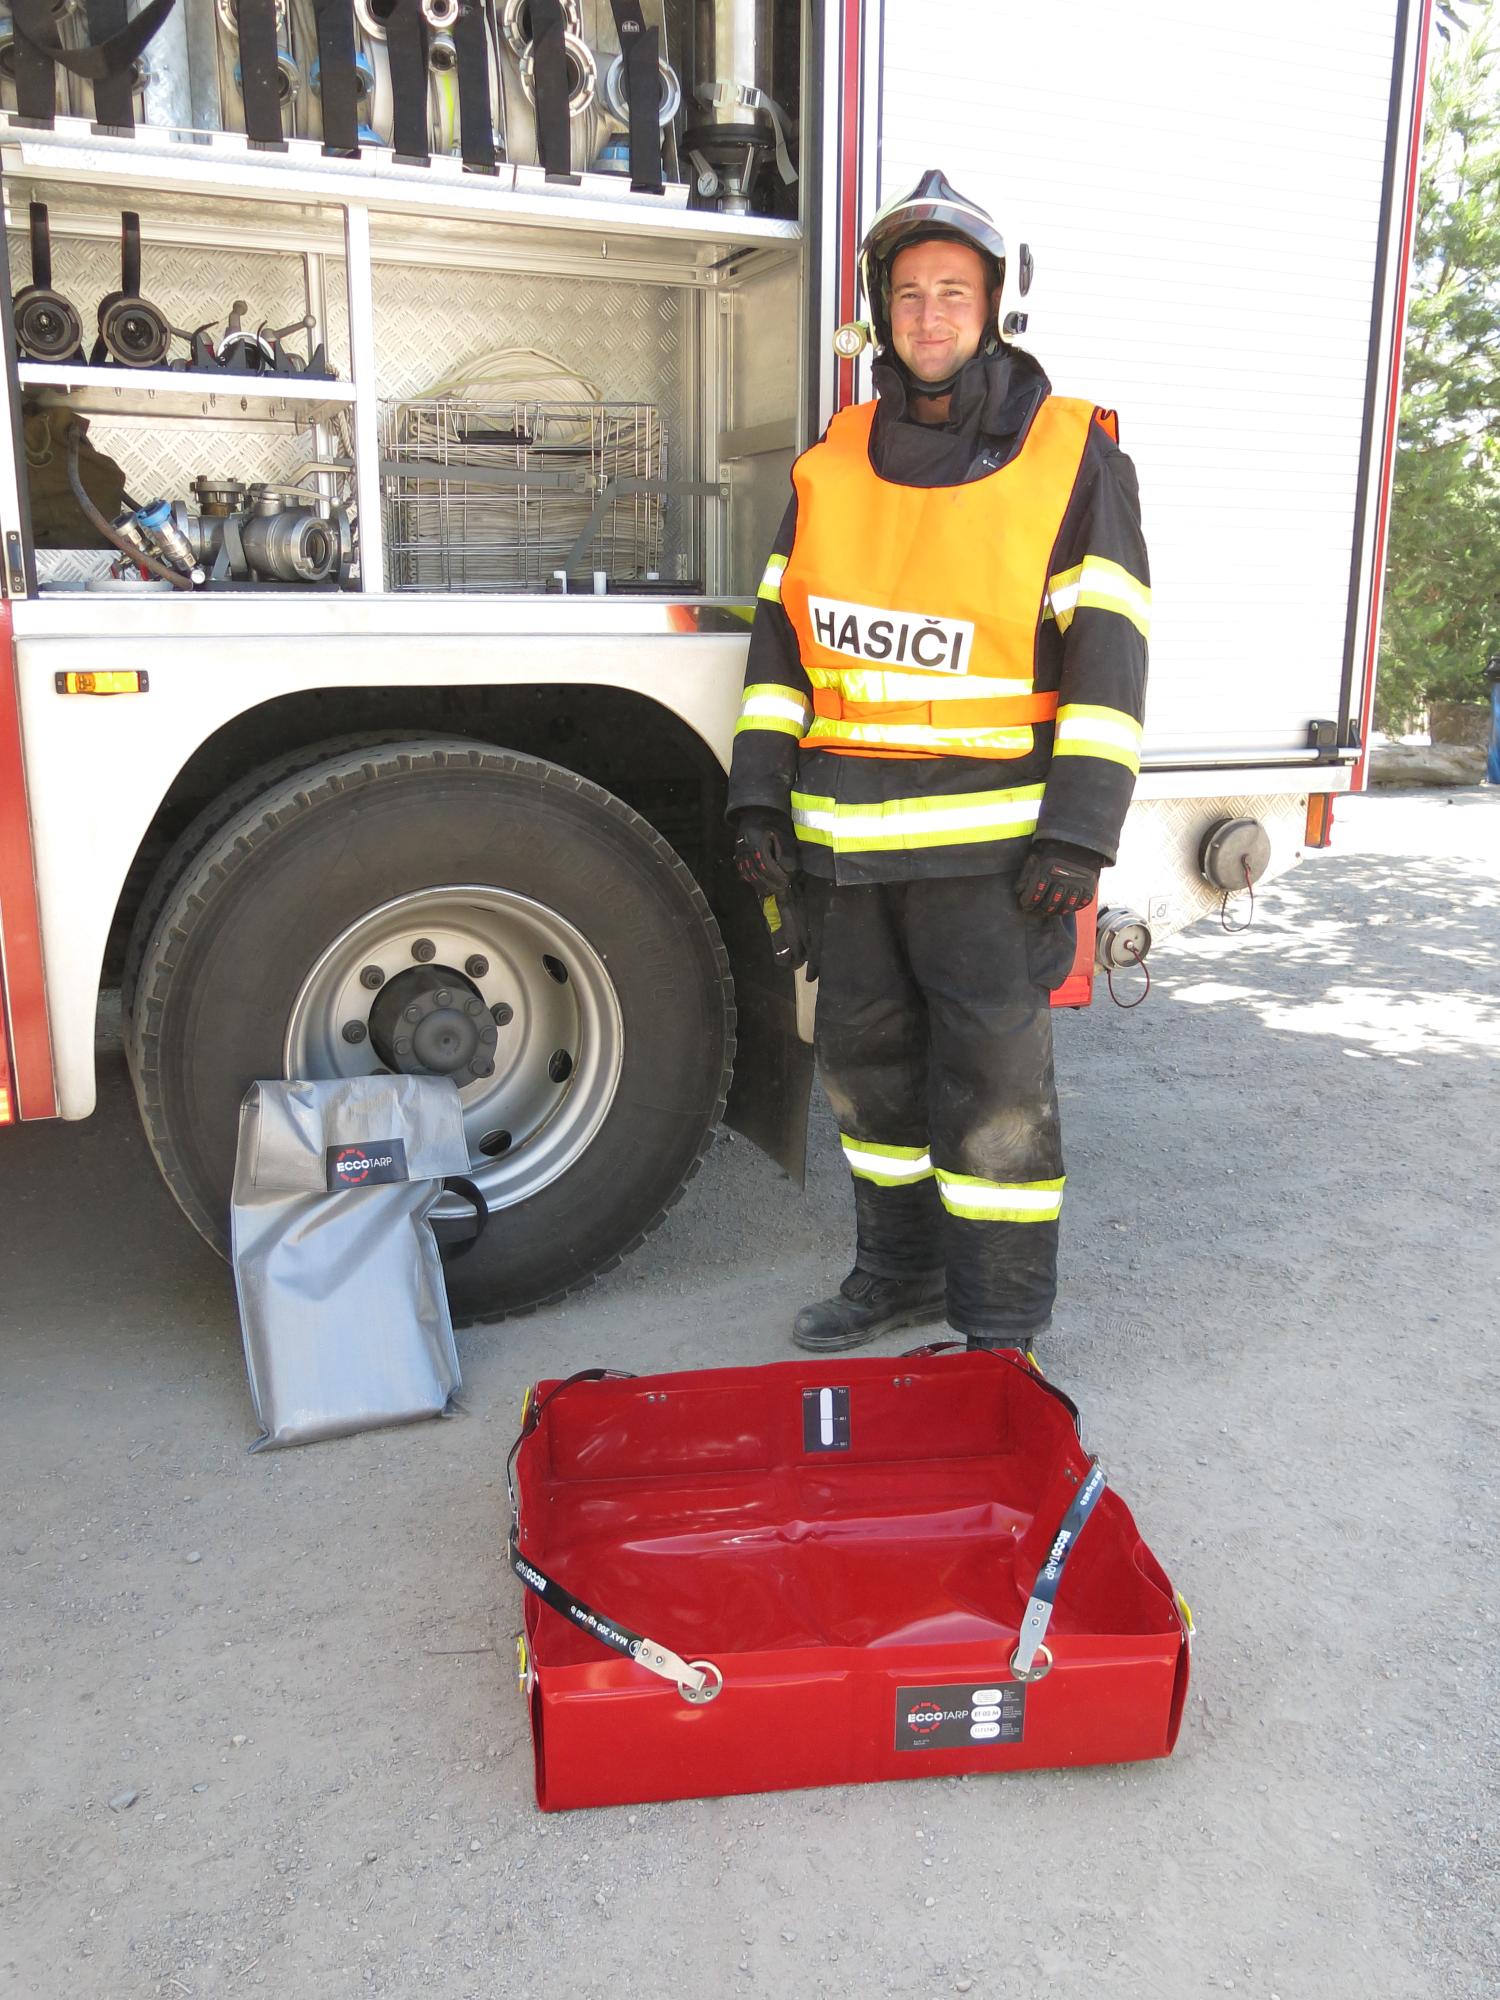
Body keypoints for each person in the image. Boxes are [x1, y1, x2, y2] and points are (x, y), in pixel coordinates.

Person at [726, 169, 1150, 1357]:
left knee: (994, 1096)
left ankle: (1001, 1321)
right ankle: (898, 1274)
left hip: (994, 859)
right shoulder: (831, 461)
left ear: (994, 306)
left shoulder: (1071, 454)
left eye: (953, 292)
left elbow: (1111, 652)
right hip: (848, 854)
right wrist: (759, 797)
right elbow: (780, 648)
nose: (929, 314)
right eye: (909, 293)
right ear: (879, 309)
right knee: (869, 1083)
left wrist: (1080, 832)